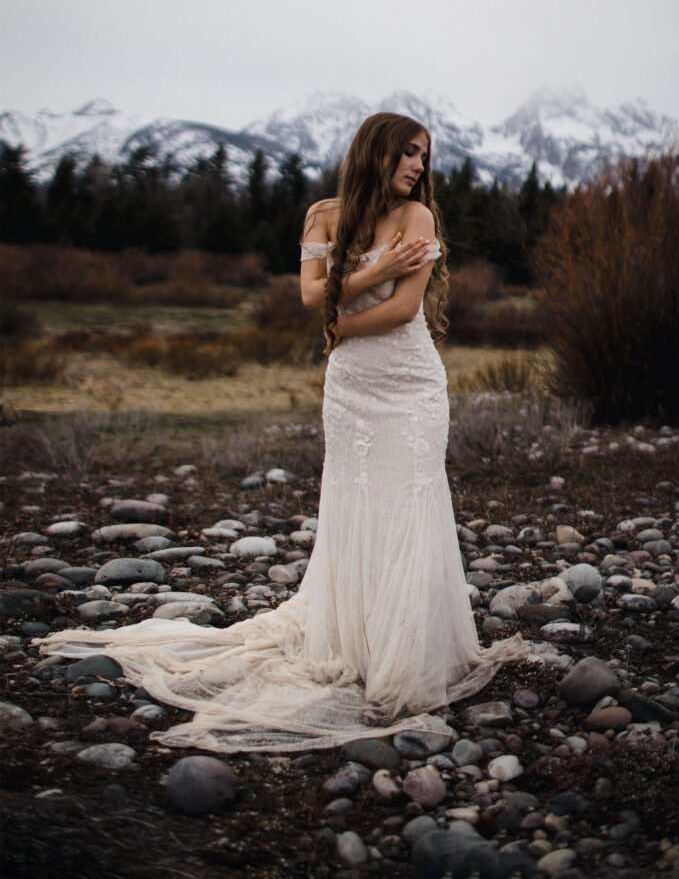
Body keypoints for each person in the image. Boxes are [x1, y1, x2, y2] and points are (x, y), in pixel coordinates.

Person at [36, 112, 526, 753]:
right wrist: (365, 283)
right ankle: (354, 638)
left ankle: (407, 655)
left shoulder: (419, 220)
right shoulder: (323, 215)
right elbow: (307, 297)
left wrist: (333, 327)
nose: (418, 167)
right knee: (352, 506)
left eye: (424, 157)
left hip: (409, 386)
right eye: (408, 153)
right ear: (375, 151)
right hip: (350, 388)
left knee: (409, 504)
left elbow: (403, 311)